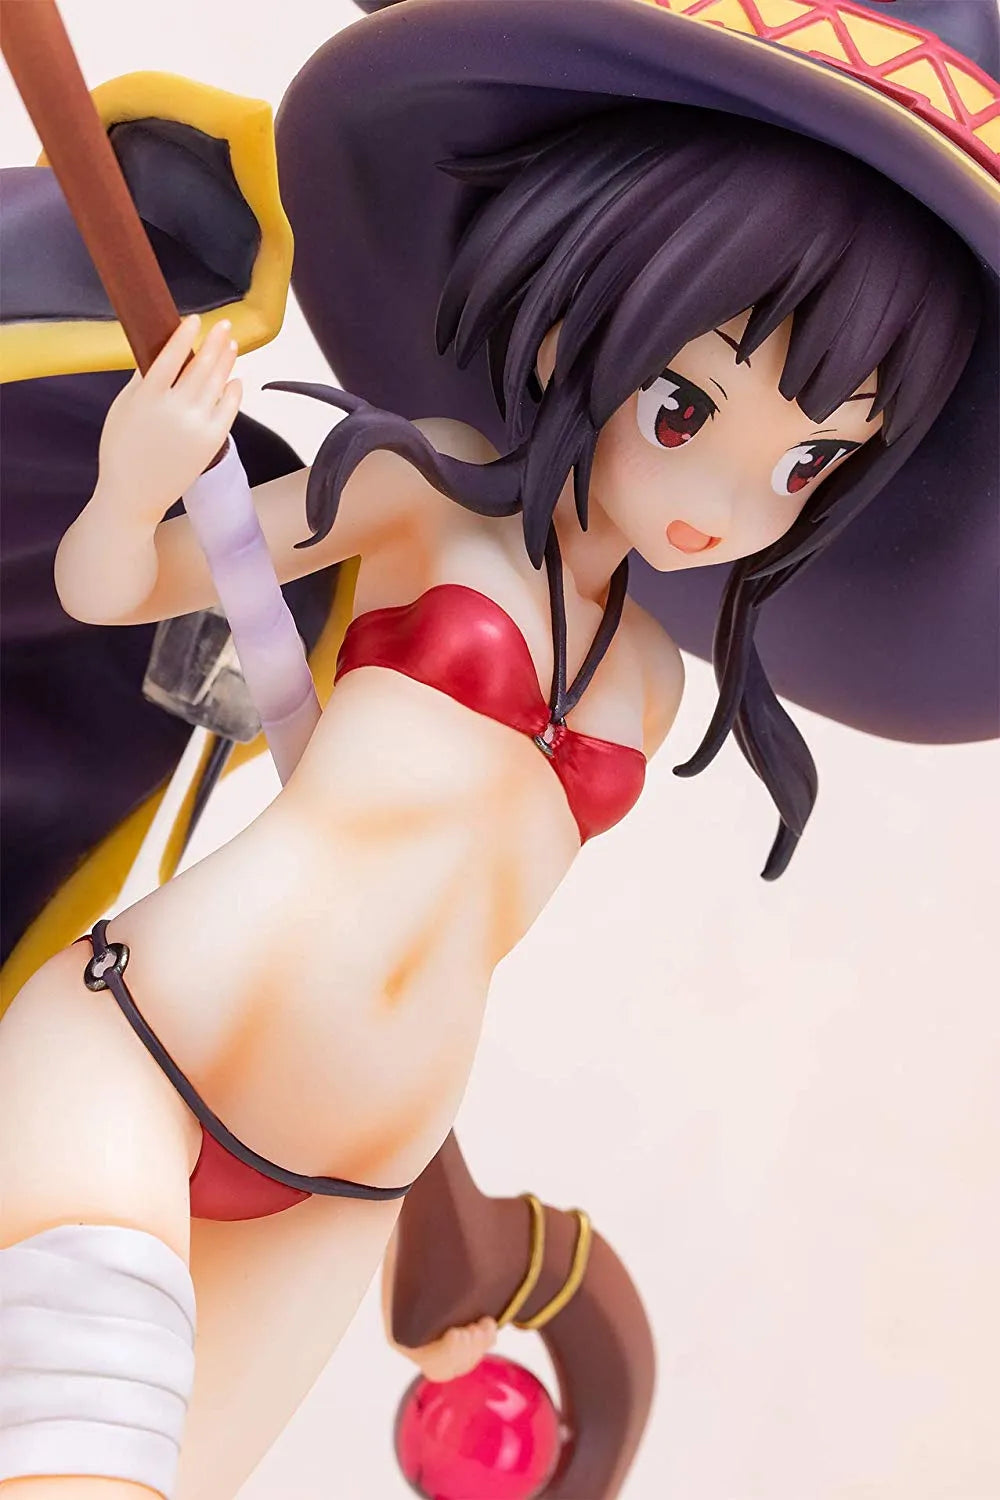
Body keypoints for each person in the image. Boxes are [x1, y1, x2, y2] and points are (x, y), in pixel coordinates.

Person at [0, 2, 996, 1497]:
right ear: (572, 318)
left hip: (349, 1185)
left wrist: (440, 1238)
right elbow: (115, 588)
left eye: (806, 461)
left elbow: (448, 938)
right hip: (144, 1053)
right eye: (686, 406)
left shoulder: (649, 683)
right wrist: (136, 478)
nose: (725, 506)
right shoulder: (430, 494)